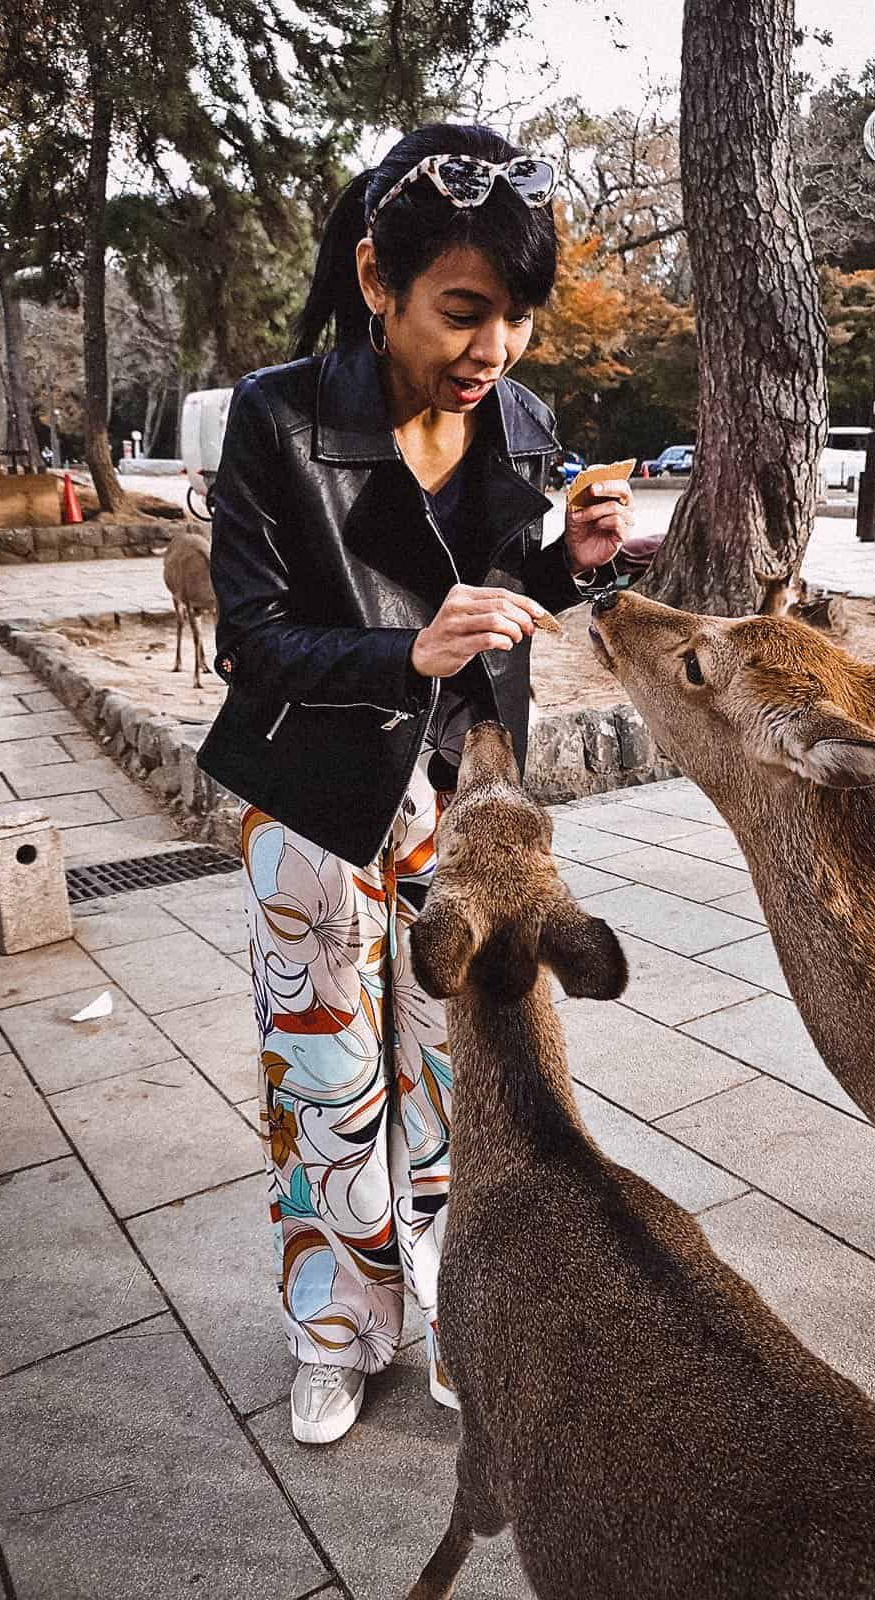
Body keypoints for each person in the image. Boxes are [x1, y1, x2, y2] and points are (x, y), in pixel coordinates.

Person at [198, 124, 632, 1447]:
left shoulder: (521, 420)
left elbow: (502, 600)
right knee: (329, 1093)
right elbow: (252, 641)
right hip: (315, 803)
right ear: (378, 278)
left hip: (464, 799)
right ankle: (335, 1335)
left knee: (457, 1083)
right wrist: (406, 647)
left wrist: (577, 565)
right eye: (464, 312)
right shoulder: (277, 420)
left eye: (514, 318)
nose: (493, 349)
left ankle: (462, 1328)